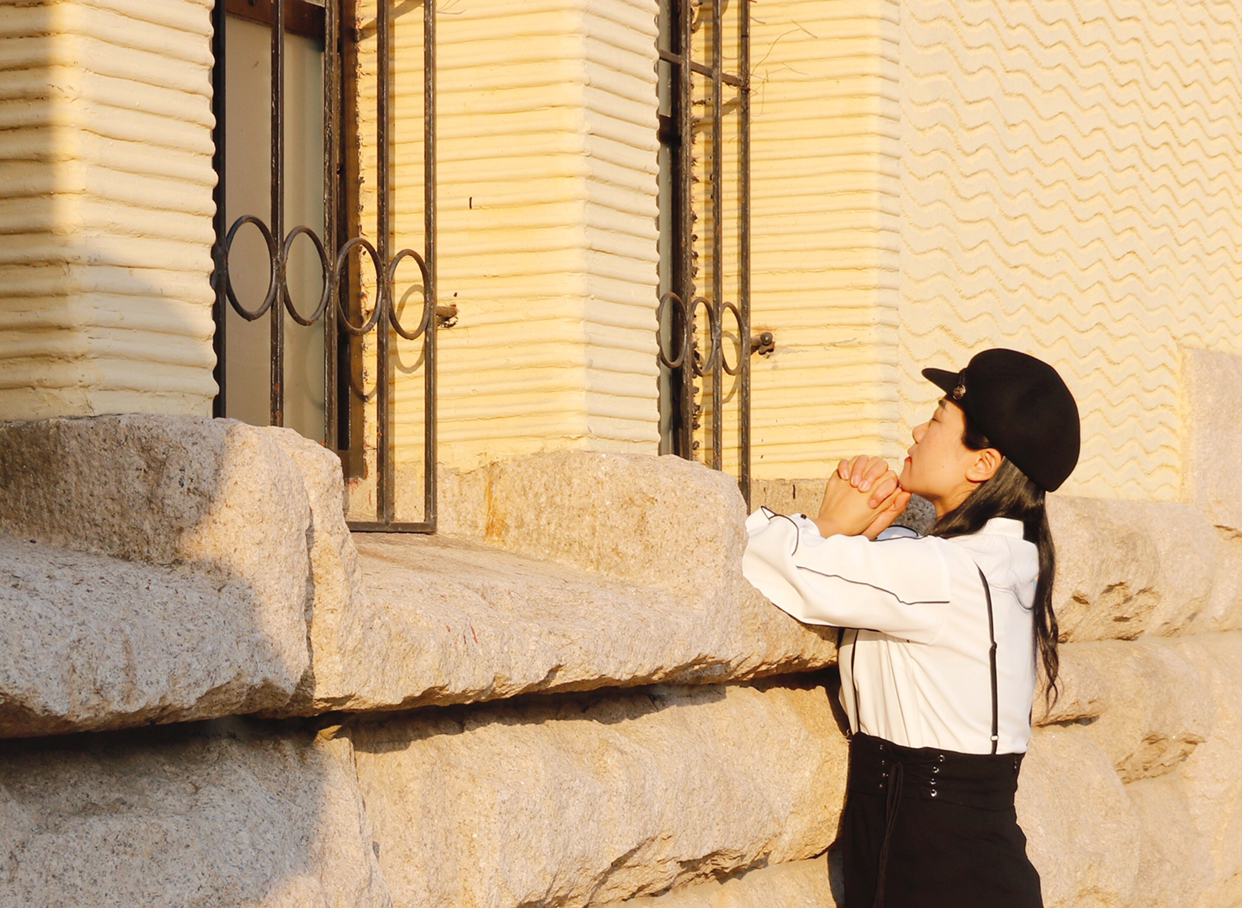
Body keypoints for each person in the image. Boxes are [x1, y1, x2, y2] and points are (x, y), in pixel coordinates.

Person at [742, 348, 1080, 908]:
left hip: (942, 868)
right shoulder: (995, 559)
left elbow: (767, 558)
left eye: (938, 419)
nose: (919, 431)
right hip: (940, 854)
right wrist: (865, 534)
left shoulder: (948, 573)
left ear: (982, 464)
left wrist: (830, 523)